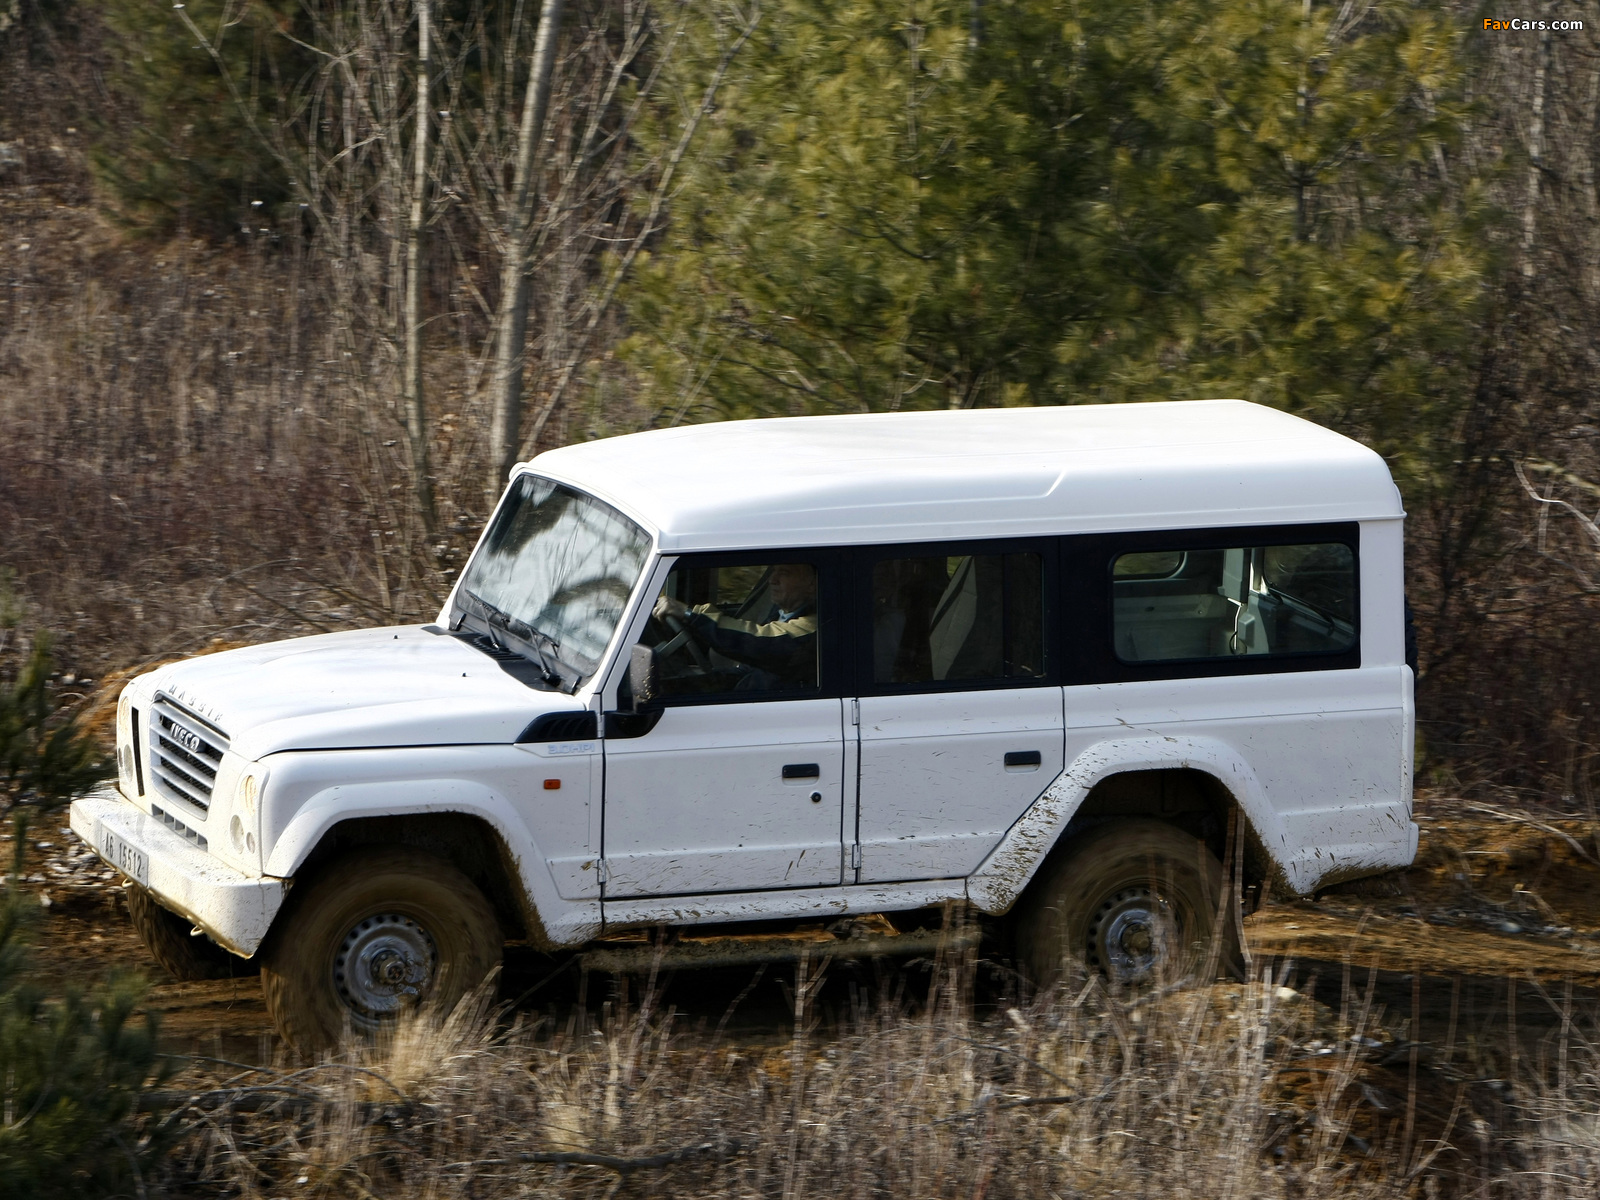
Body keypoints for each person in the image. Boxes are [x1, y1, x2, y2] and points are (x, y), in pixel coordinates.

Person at [652, 562, 818, 688]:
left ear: (812, 584)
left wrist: (691, 614)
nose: (772, 580)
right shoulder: (782, 613)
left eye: (785, 573)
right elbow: (748, 669)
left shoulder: (813, 628)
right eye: (773, 571)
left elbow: (757, 640)